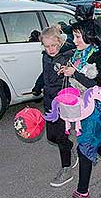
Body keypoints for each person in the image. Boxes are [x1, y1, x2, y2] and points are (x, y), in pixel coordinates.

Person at [60, 19, 101, 198]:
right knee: (96, 143)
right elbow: (76, 78)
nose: (74, 40)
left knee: (85, 146)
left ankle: (82, 192)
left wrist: (75, 73)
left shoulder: (99, 56)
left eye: (78, 36)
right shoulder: (77, 54)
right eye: (73, 36)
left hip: (98, 108)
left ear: (90, 37)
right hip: (81, 107)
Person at [33, 26, 77, 187]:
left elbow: (77, 75)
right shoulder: (46, 56)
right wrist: (38, 86)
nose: (50, 49)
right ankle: (70, 147)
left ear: (59, 42)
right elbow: (44, 73)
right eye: (46, 46)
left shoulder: (68, 56)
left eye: (53, 45)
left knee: (60, 136)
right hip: (48, 101)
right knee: (51, 137)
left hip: (62, 102)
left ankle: (66, 169)